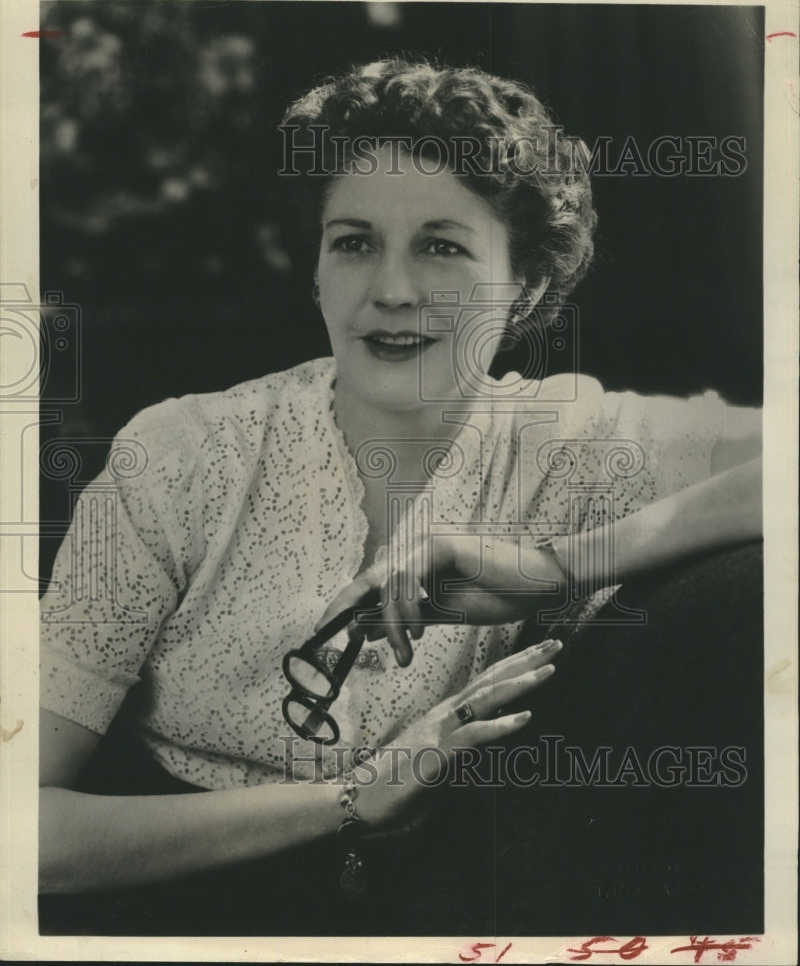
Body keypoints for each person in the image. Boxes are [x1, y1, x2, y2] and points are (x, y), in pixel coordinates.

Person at [38, 58, 762, 935]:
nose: (390, 290)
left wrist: (556, 567)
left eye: (442, 247)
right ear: (314, 271)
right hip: (178, 917)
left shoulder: (579, 440)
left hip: (463, 915)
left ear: (527, 283)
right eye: (353, 242)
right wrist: (352, 799)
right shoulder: (180, 456)